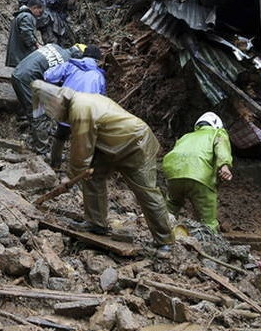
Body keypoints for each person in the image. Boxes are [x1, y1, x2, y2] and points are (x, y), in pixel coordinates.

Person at [32, 80, 174, 254]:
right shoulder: (81, 101)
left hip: (135, 145)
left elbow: (81, 149)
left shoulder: (81, 109)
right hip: (111, 144)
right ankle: (96, 222)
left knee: (145, 191)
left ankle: (164, 240)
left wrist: (71, 175)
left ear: (56, 102)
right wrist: (80, 172)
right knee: (92, 176)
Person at [162, 112, 233, 232]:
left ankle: (162, 233)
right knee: (208, 221)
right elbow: (221, 148)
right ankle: (211, 243)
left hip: (174, 175)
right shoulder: (217, 133)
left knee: (171, 207)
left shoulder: (186, 136)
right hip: (200, 176)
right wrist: (224, 165)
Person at [11, 43, 87, 148]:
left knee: (32, 108)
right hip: (26, 80)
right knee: (39, 116)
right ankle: (42, 149)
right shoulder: (65, 63)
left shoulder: (54, 46)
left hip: (18, 72)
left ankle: (26, 126)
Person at [43, 44, 106, 168]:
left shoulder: (71, 65)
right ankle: (75, 172)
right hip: (85, 112)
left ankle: (55, 164)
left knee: (60, 136)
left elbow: (48, 76)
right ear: (97, 60)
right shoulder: (99, 76)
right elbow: (102, 99)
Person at [5, 0, 44, 67]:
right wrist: (35, 45)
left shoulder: (21, 15)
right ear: (35, 8)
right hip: (22, 54)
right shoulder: (27, 16)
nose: (39, 15)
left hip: (18, 53)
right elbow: (26, 33)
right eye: (40, 12)